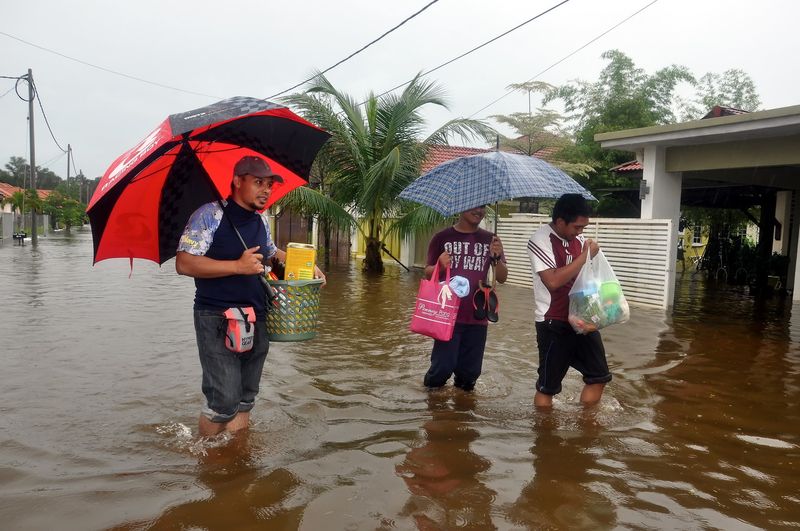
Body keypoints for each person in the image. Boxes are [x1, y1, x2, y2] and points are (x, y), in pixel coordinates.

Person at [176, 155, 326, 436]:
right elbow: (184, 263)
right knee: (223, 403)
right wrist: (236, 266)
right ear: (237, 181)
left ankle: (237, 459)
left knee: (245, 399)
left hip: (256, 316)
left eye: (269, 184)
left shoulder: (260, 220)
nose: (266, 190)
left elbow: (270, 254)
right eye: (258, 183)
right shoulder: (209, 215)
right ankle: (206, 463)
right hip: (216, 317)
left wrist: (305, 265)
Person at [526, 193, 610, 407]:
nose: (580, 232)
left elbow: (588, 276)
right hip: (554, 322)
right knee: (548, 387)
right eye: (577, 227)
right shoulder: (540, 240)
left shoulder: (579, 241)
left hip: (582, 318)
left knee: (599, 377)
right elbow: (552, 281)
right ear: (560, 221)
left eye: (583, 227)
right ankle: (545, 436)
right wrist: (584, 257)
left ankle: (585, 433)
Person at [423, 205, 508, 391]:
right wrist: (440, 265)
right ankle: (433, 406)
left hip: (478, 315)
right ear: (461, 207)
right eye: (474, 206)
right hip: (447, 317)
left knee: (469, 375)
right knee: (441, 369)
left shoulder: (490, 240)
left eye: (482, 207)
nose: (479, 211)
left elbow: (502, 277)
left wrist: (497, 257)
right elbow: (428, 273)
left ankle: (461, 414)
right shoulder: (442, 238)